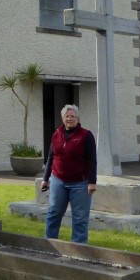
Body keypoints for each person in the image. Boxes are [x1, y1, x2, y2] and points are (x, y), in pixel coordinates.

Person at [39, 104, 97, 244]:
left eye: (72, 116)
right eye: (67, 116)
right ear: (62, 118)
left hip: (80, 183)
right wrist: (45, 179)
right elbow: (50, 157)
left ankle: (79, 247)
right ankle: (50, 243)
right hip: (58, 181)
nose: (69, 119)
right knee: (53, 213)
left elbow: (92, 160)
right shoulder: (56, 134)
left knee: (80, 218)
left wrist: (92, 182)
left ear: (78, 119)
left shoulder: (86, 136)